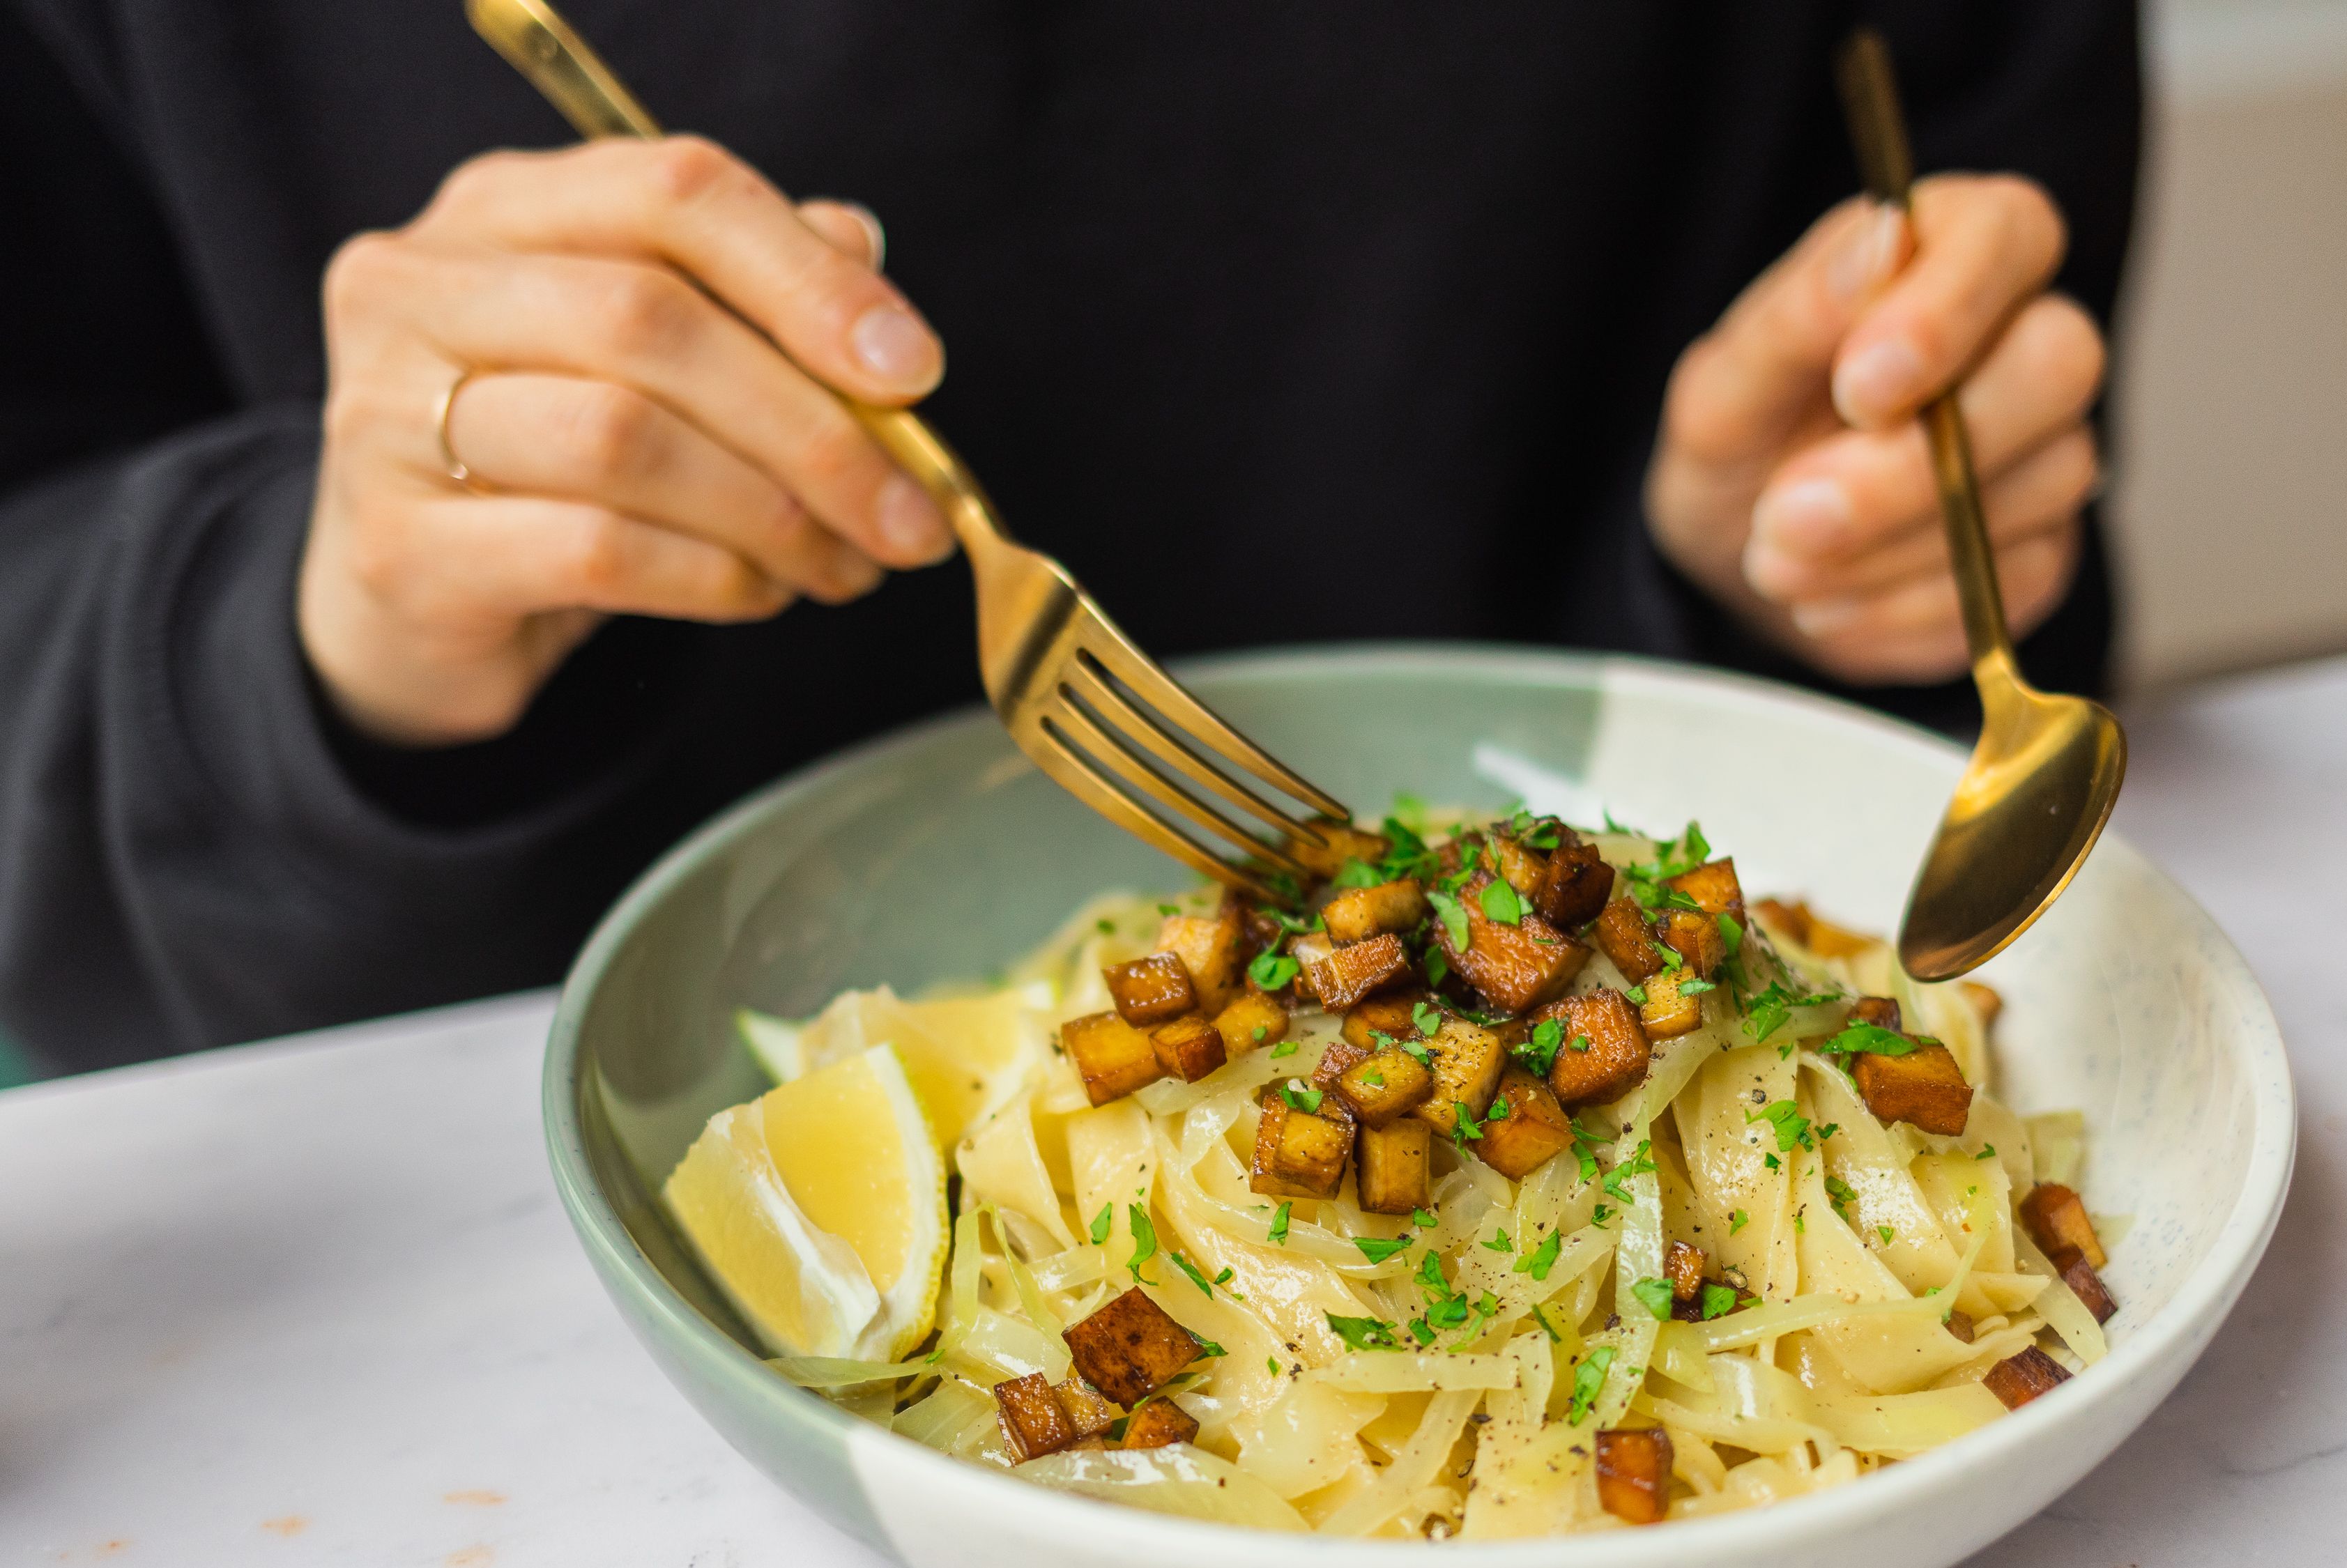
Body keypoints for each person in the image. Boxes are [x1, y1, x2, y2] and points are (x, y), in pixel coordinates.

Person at [0, 1, 2137, 1077]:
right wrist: (295, 639)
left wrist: (1818, 548)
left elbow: (1954, 230)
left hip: (1725, 884)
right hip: (402, 1218)